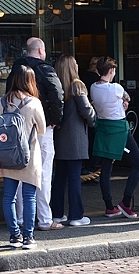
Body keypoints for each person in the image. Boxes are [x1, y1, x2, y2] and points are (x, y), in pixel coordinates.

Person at [5, 37, 64, 231]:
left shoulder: (16, 69)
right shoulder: (46, 69)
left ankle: (21, 217)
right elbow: (57, 95)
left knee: (20, 172)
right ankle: (44, 218)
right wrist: (55, 120)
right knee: (43, 172)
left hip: (17, 128)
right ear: (40, 51)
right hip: (42, 126)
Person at [90, 56, 139, 219]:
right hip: (119, 130)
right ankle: (126, 202)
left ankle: (109, 206)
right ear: (112, 71)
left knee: (106, 168)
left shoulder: (93, 87)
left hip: (103, 128)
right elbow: (127, 97)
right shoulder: (115, 88)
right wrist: (124, 102)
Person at [0, 65, 46, 249]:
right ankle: (28, 237)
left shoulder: (2, 102)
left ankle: (14, 235)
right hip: (29, 154)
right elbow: (41, 129)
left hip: (8, 154)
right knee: (29, 197)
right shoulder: (34, 103)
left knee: (8, 196)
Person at [51, 55, 95, 226]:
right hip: (75, 139)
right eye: (75, 63)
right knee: (75, 178)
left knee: (60, 178)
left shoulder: (56, 87)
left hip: (60, 138)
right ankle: (76, 215)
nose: (78, 64)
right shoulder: (77, 86)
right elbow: (87, 111)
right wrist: (94, 118)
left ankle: (57, 213)